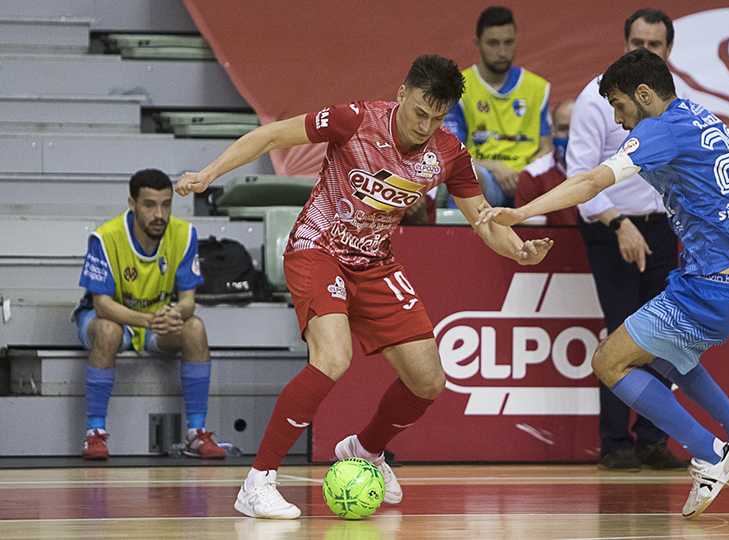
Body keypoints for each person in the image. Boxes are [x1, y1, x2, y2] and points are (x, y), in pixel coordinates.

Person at [176, 54, 553, 520]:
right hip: (319, 249)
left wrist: (517, 249)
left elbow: (483, 220)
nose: (425, 125)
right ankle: (259, 481)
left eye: (437, 117)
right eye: (420, 112)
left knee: (429, 380)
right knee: (333, 358)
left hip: (374, 262)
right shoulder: (354, 119)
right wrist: (209, 173)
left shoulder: (449, 152)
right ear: (402, 93)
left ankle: (365, 448)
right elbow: (272, 135)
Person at [478, 48, 729, 519]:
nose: (617, 120)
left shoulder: (659, 129)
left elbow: (591, 182)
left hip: (709, 286)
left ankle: (712, 454)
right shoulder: (703, 118)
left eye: (619, 106)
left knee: (608, 361)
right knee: (666, 355)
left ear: (644, 94)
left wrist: (521, 212)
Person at [567, 8, 685, 471]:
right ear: (624, 44)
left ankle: (654, 441)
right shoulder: (596, 100)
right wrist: (618, 223)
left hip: (661, 225)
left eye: (653, 46)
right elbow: (579, 178)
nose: (644, 52)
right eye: (637, 43)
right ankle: (615, 444)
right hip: (607, 223)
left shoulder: (678, 101)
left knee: (665, 335)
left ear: (668, 51)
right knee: (621, 332)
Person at [72, 169, 225, 460]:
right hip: (106, 318)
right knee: (108, 330)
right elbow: (102, 305)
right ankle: (94, 434)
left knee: (195, 327)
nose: (160, 214)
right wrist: (149, 320)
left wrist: (174, 313)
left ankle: (196, 434)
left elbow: (188, 302)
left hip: (155, 321)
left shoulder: (184, 234)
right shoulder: (105, 237)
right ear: (132, 203)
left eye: (166, 204)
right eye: (149, 205)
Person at [443, 5, 552, 208]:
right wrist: (497, 168)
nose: (502, 51)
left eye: (508, 42)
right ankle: (457, 238)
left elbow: (546, 148)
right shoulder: (458, 87)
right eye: (493, 43)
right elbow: (452, 155)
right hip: (486, 177)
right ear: (478, 43)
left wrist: (525, 175)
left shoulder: (537, 88)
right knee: (465, 178)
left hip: (527, 181)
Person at [514, 99, 578, 226]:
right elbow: (532, 237)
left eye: (577, 128)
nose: (571, 136)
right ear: (552, 131)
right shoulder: (532, 176)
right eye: (563, 129)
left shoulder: (607, 170)